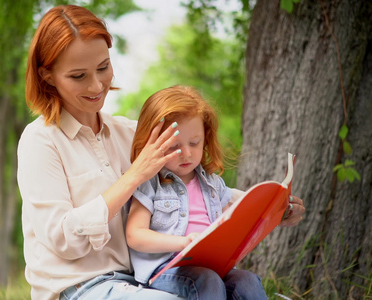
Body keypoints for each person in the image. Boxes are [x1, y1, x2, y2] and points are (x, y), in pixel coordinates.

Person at [17, 4, 305, 300]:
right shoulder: (41, 142)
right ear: (48, 76)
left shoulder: (130, 132)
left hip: (138, 281)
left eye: (103, 67)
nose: (96, 85)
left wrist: (267, 208)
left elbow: (195, 185)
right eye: (78, 76)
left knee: (240, 287)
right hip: (80, 287)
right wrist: (135, 174)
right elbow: (62, 240)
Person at [125, 85, 298, 299]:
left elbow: (230, 224)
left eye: (194, 143)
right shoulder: (151, 182)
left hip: (215, 266)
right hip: (166, 271)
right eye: (174, 146)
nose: (186, 153)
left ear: (205, 138)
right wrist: (183, 243)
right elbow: (135, 235)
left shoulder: (213, 184)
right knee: (207, 280)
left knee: (247, 280)